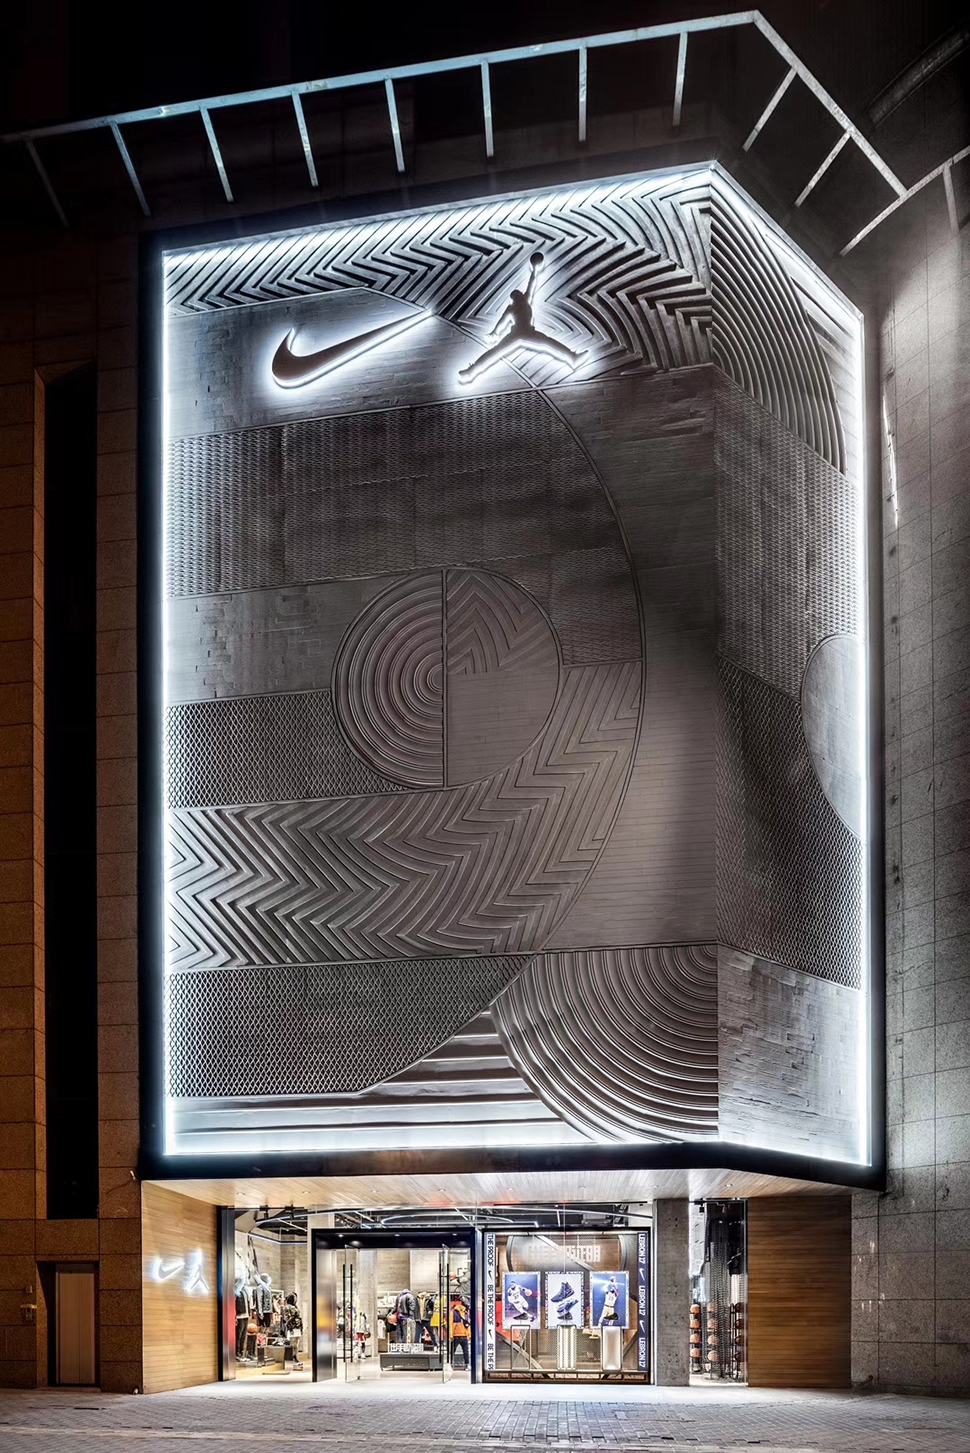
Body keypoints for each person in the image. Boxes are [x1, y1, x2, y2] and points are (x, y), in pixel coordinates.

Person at [458, 252, 586, 383]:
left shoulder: (524, 300)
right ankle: (471, 371)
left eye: (518, 293)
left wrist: (534, 271)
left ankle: (572, 357)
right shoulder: (516, 305)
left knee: (499, 351)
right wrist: (495, 332)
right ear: (514, 298)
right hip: (520, 333)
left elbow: (531, 284)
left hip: (524, 332)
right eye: (516, 294)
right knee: (544, 343)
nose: (518, 294)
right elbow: (502, 321)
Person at [450, 1296, 470, 1369]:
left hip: (463, 1335)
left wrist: (468, 1335)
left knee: (465, 1351)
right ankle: (450, 1363)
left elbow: (468, 1325)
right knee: (453, 1351)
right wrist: (451, 1335)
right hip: (456, 1335)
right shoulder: (454, 1313)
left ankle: (467, 1364)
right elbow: (450, 1324)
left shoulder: (466, 1313)